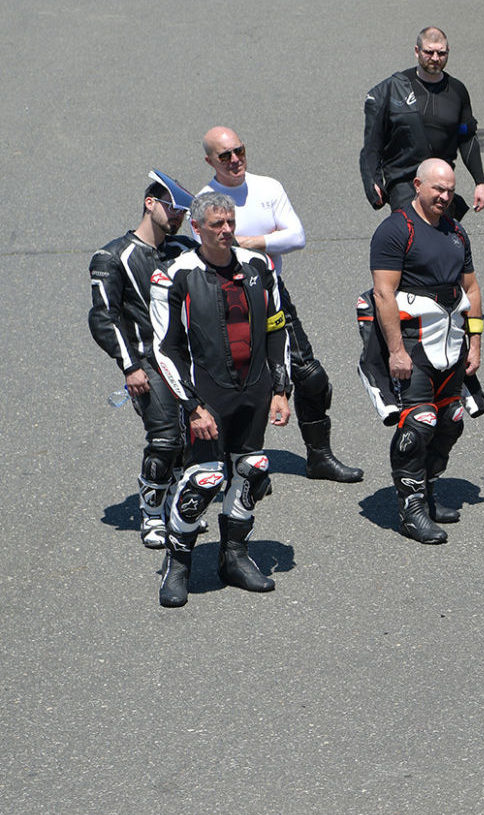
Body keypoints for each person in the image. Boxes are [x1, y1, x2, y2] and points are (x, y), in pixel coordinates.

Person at [149, 192, 294, 607]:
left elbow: (276, 327)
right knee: (205, 478)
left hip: (255, 389)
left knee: (251, 468)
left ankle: (234, 556)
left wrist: (281, 389)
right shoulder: (175, 275)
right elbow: (165, 350)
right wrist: (192, 407)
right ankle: (178, 565)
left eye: (230, 222)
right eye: (217, 224)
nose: (227, 230)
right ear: (197, 228)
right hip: (205, 395)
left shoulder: (258, 266)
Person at [199, 126, 362, 483]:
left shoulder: (267, 187)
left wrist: (249, 242)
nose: (235, 160)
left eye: (239, 150)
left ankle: (319, 458)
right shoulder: (205, 200)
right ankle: (229, 466)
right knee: (232, 384)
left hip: (270, 292)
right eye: (224, 156)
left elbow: (297, 236)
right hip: (222, 299)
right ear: (210, 160)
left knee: (311, 376)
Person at [366, 159, 484, 545]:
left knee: (451, 418)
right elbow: (383, 293)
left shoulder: (456, 231)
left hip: (451, 344)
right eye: (437, 189)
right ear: (418, 185)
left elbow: (472, 289)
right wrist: (396, 351)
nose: (445, 197)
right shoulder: (396, 230)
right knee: (418, 424)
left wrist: (477, 343)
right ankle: (411, 509)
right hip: (413, 345)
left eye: (450, 190)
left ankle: (429, 490)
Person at [90, 172, 197, 550]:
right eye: (172, 207)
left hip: (189, 361)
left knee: (192, 442)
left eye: (183, 211)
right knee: (166, 440)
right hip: (147, 362)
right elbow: (103, 316)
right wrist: (130, 366)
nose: (178, 216)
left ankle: (178, 509)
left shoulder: (184, 248)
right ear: (150, 203)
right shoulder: (111, 256)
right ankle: (151, 515)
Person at [360, 27, 484, 219]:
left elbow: (467, 138)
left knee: (443, 242)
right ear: (417, 51)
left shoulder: (457, 91)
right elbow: (373, 142)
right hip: (404, 182)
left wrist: (480, 183)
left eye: (441, 53)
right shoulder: (394, 89)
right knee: (414, 235)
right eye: (429, 52)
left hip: (440, 183)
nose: (435, 58)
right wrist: (373, 181)